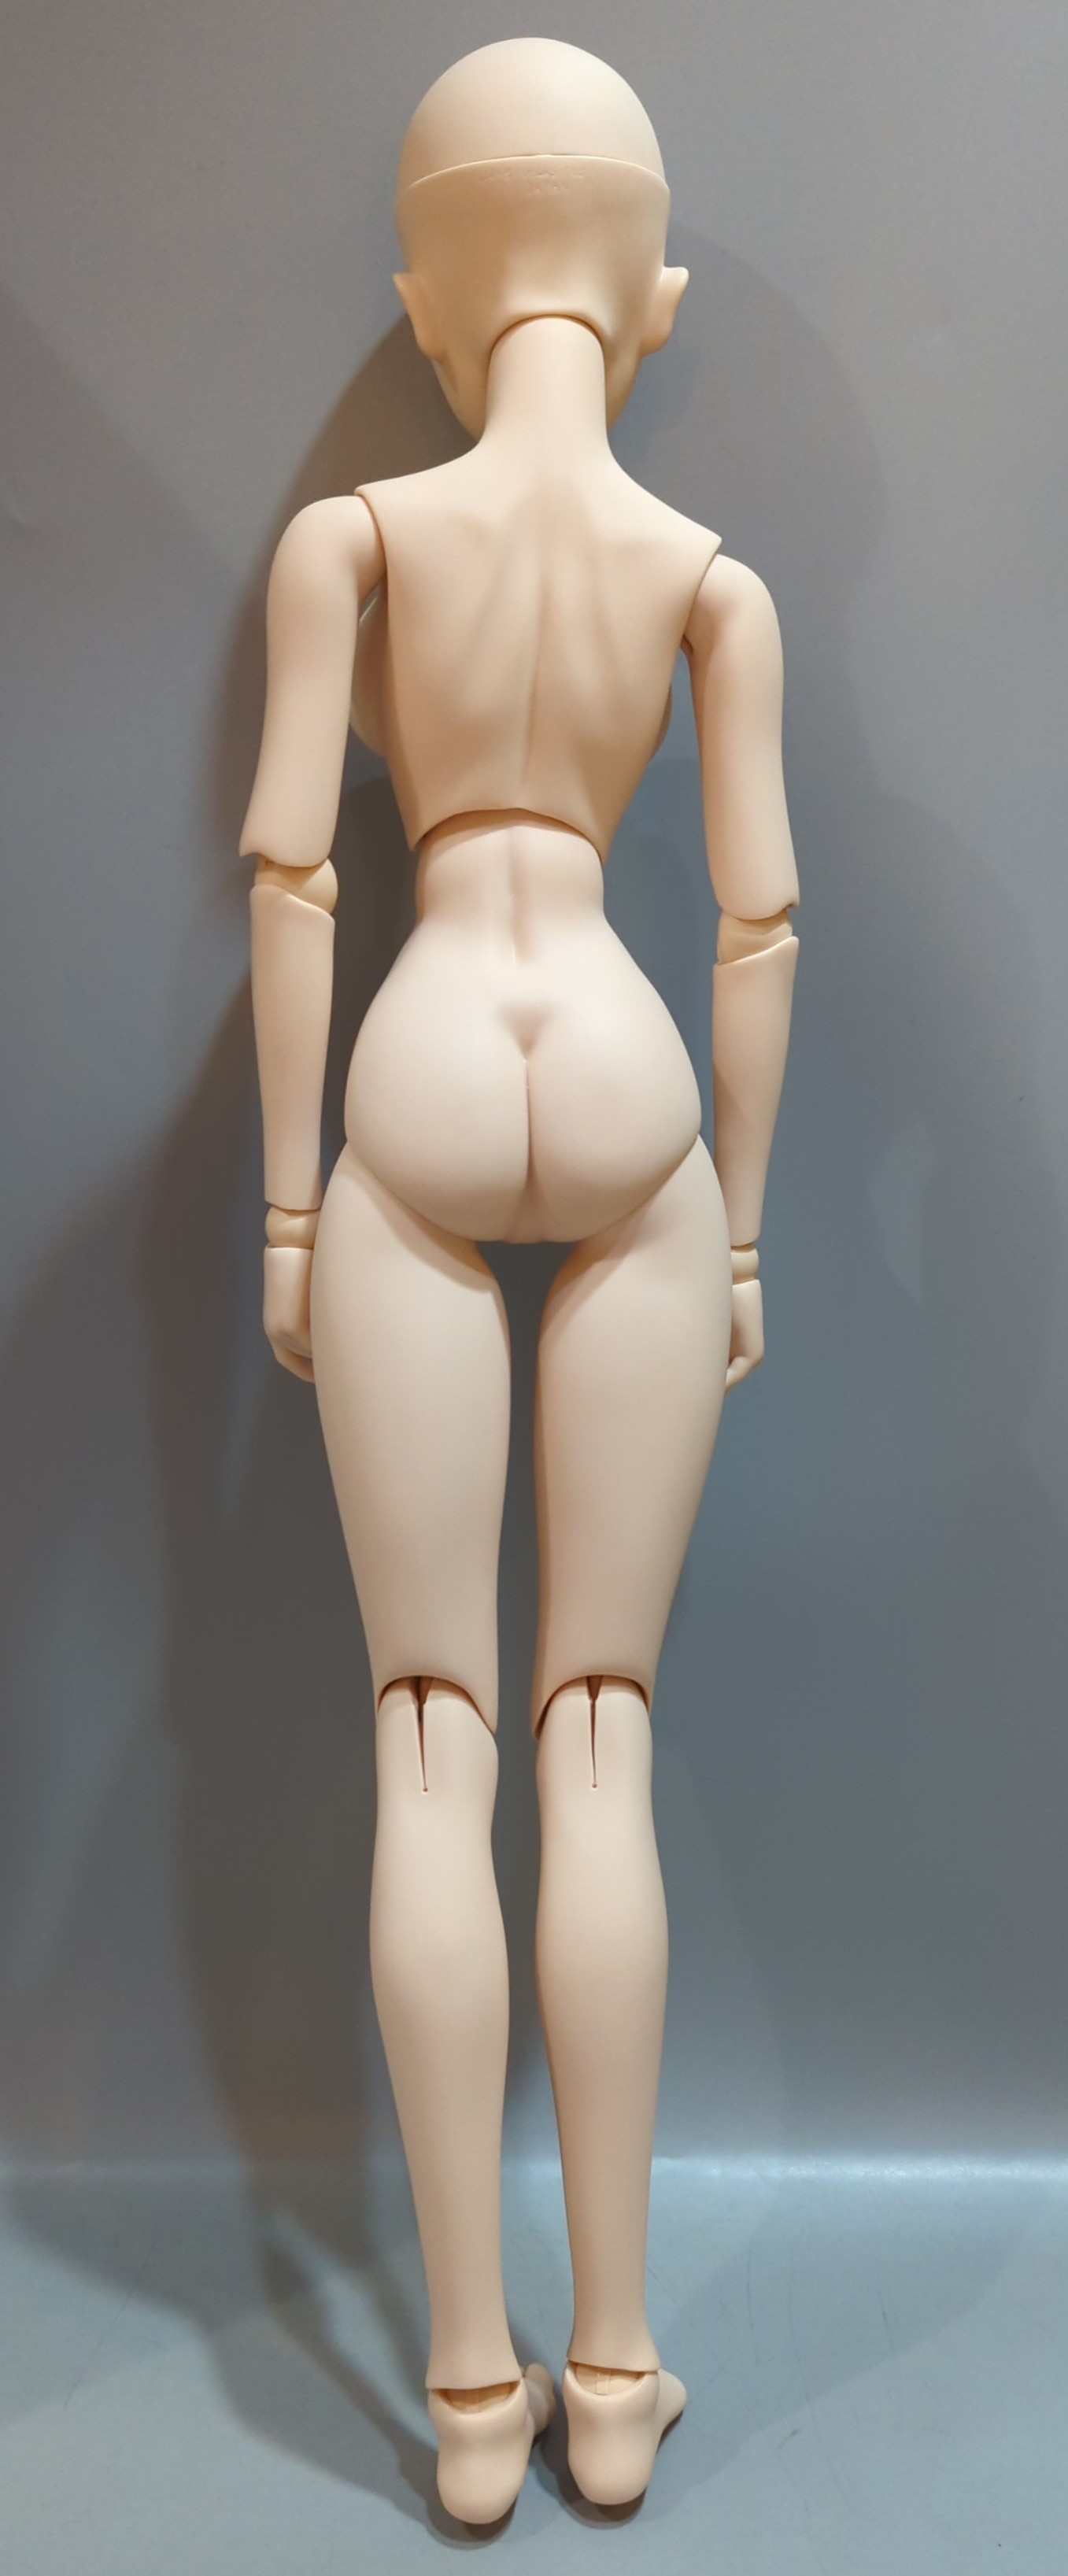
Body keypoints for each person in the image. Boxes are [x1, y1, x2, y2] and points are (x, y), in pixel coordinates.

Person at [240, 37, 799, 2524]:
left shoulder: (353, 541)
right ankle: (613, 2362)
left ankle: (469, 2389)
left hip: (427, 1063)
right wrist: (744, 1218)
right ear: (650, 300)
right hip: (640, 1086)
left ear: (424, 299)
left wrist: (289, 1203)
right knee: (596, 1729)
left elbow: (291, 871)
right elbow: (766, 921)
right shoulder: (708, 577)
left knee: (431, 1727)